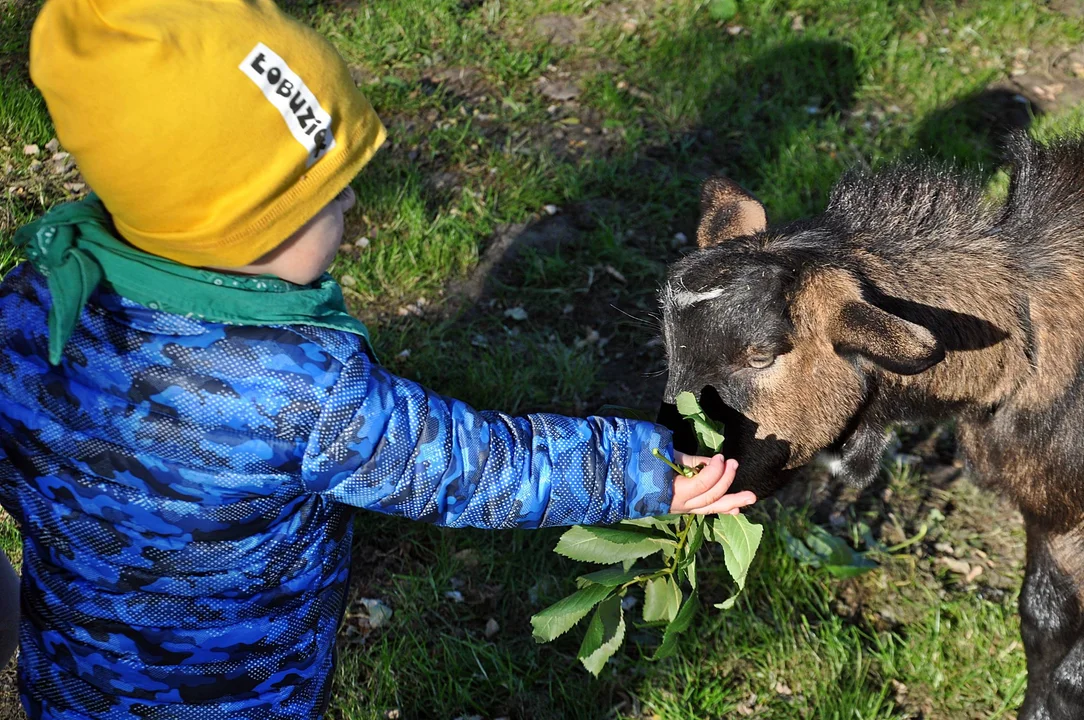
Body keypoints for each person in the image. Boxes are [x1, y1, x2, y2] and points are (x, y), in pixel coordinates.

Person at [0, 0, 756, 717]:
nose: (355, 209)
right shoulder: (301, 390)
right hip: (243, 694)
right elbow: (472, 465)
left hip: (72, 680)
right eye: (330, 198)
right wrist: (646, 470)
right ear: (249, 229)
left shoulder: (37, 298)